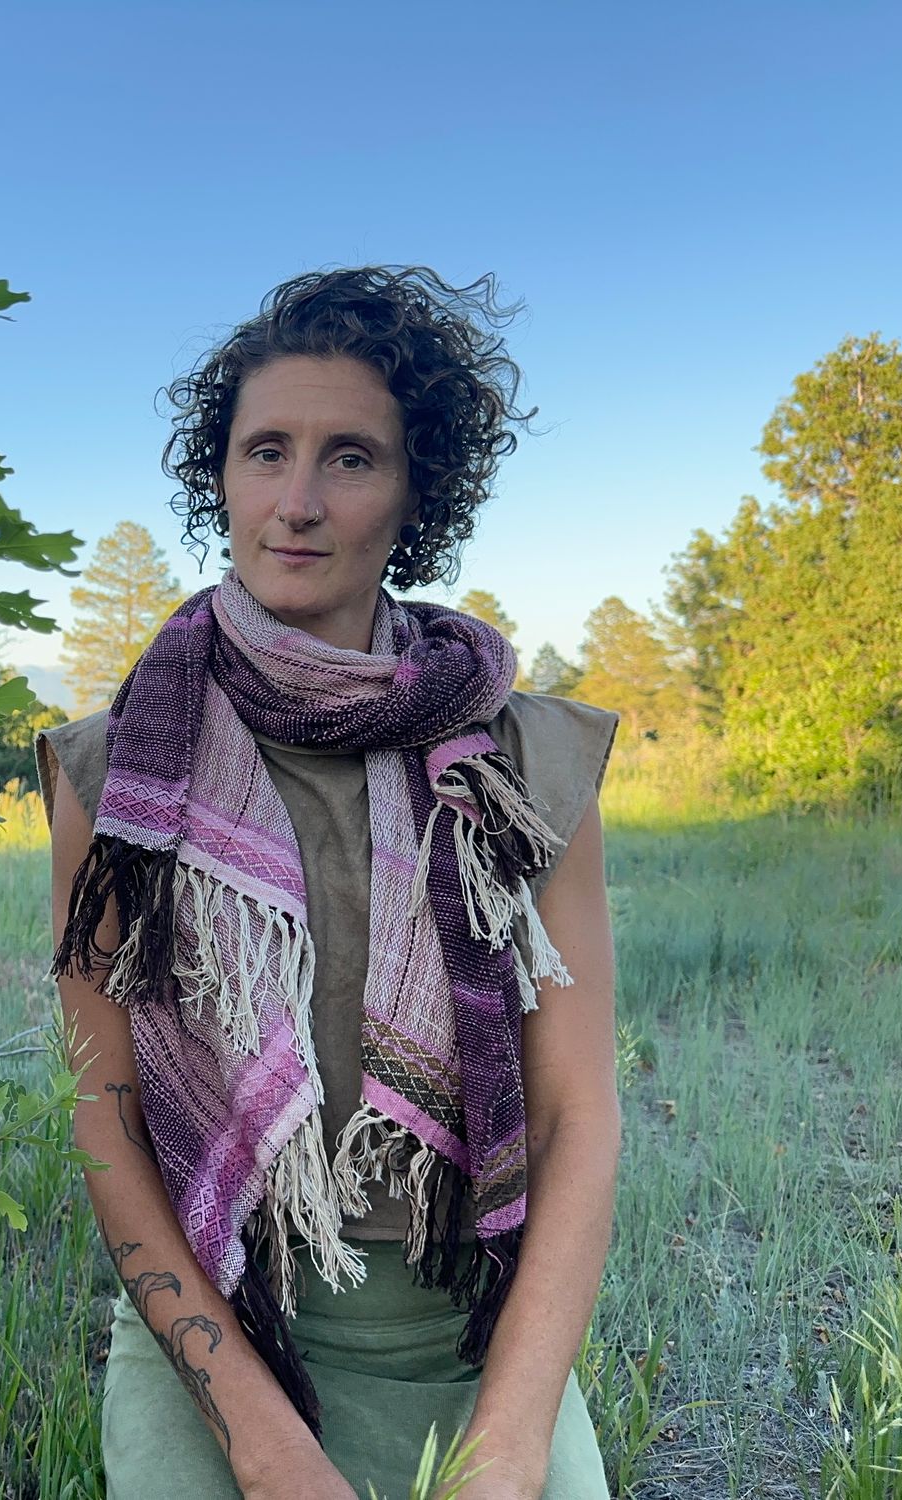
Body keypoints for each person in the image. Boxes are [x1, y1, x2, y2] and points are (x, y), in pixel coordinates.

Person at [37, 267, 621, 1499]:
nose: (295, 502)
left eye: (349, 458)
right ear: (221, 479)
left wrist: (509, 1446)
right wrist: (256, 1437)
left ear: (414, 497)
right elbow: (109, 1118)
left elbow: (576, 1117)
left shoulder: (525, 764)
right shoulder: (108, 773)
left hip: (470, 1328)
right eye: (264, 453)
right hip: (219, 1324)